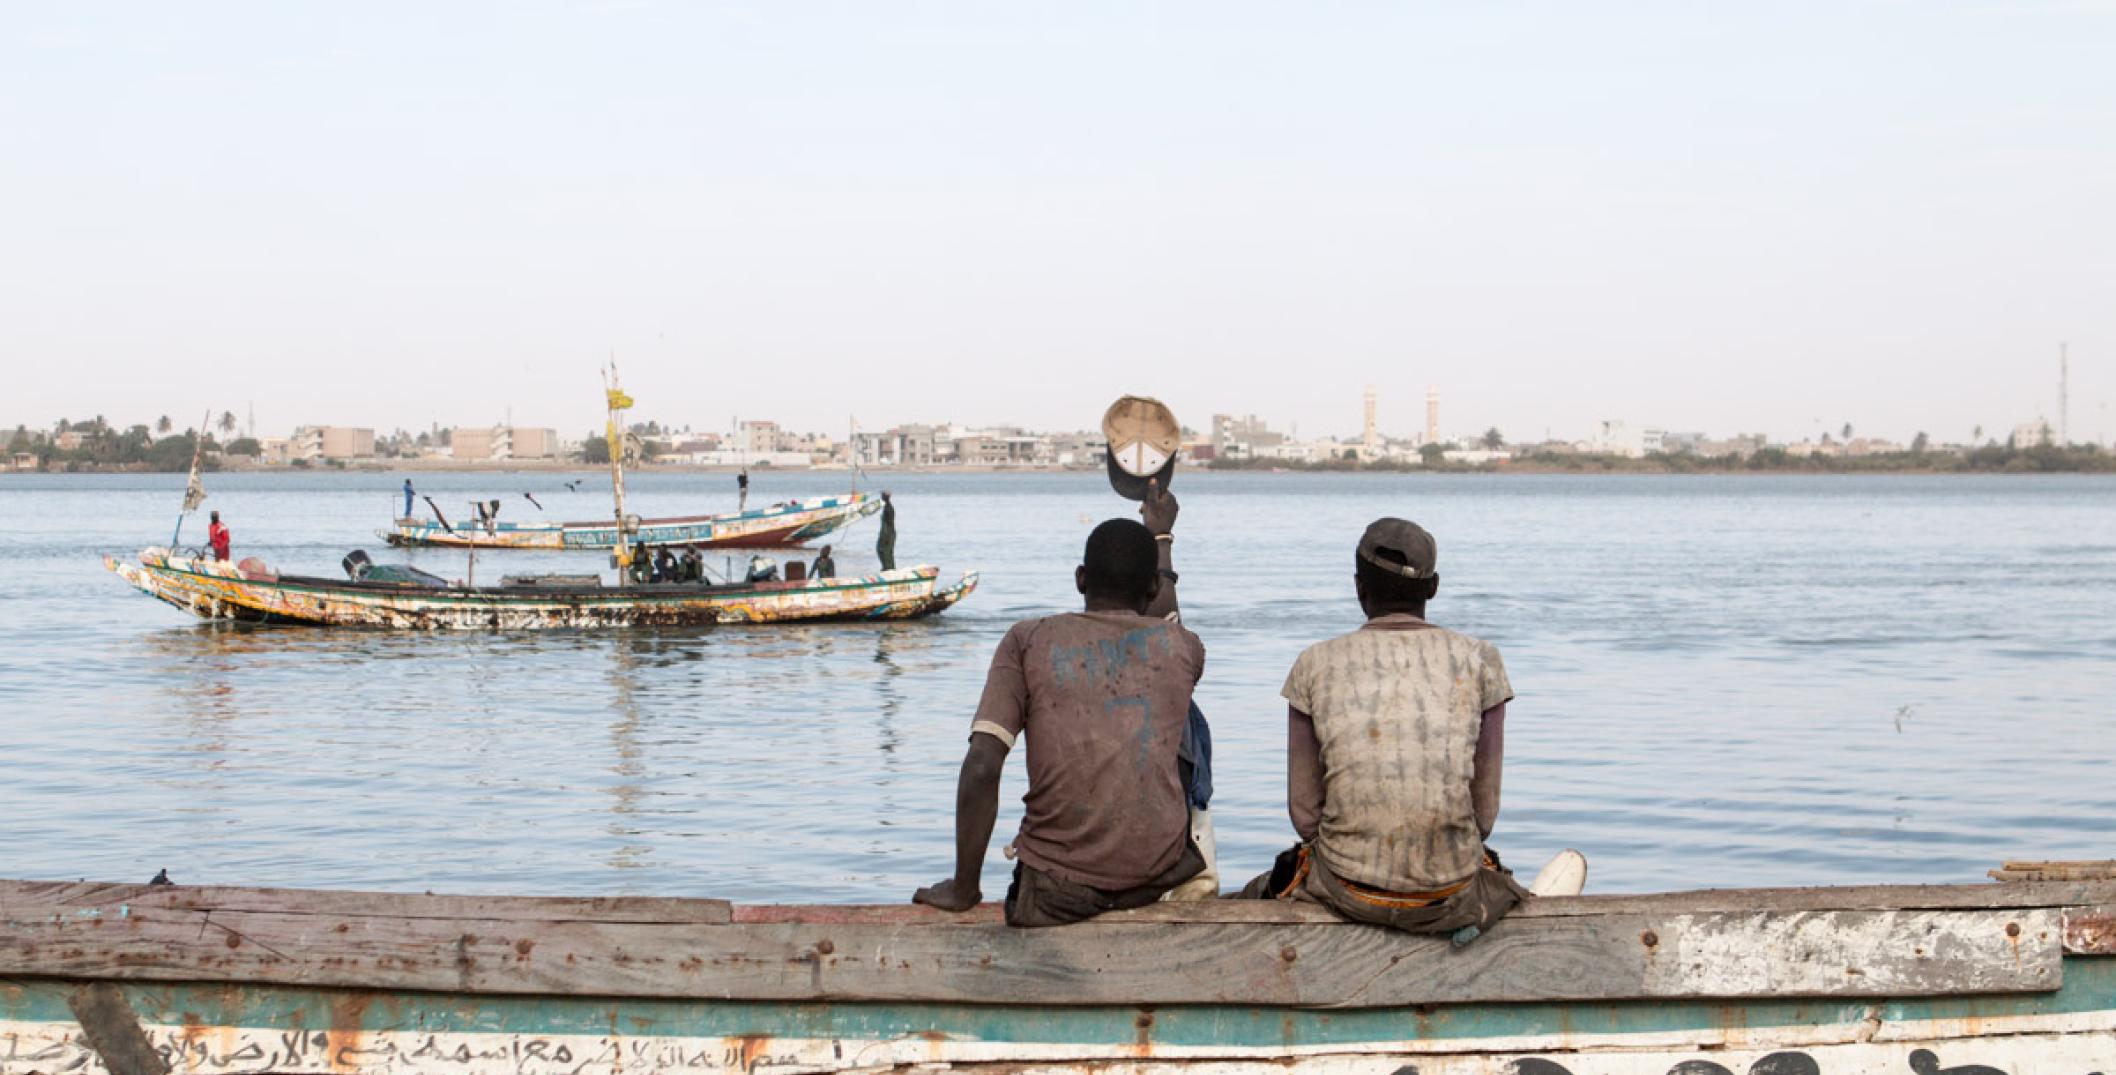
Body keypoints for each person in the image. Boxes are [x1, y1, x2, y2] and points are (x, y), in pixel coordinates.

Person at [1237, 518, 1581, 934]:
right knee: (1500, 884)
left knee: (1260, 889)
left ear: (1358, 586)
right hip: (1449, 892)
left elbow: (1305, 816)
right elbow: (1483, 816)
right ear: (1432, 588)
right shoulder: (1480, 660)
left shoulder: (1314, 663)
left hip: (1348, 890)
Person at [913, 518, 1208, 926]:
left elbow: (982, 765)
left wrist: (964, 887)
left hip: (1059, 888)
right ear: (1154, 588)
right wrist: (1161, 536)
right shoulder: (1185, 649)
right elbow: (1160, 622)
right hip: (1158, 873)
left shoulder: (1027, 641)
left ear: (1080, 579)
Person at [876, 491, 897, 571]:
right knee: (881, 550)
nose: (881, 497)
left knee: (886, 552)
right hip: (885, 533)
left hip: (888, 533)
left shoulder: (889, 508)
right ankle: (886, 567)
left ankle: (889, 568)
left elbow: (890, 523)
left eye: (882, 496)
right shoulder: (886, 507)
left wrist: (887, 536)